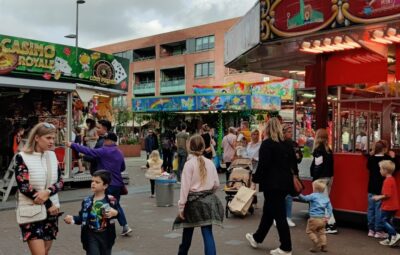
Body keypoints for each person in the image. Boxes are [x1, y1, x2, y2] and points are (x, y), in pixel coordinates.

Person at [246, 117, 296, 255]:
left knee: (279, 215)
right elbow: (293, 163)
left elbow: (263, 165)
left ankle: (286, 247)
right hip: (284, 184)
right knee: (268, 212)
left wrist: (255, 179)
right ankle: (257, 238)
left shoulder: (267, 144)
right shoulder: (286, 144)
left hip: (271, 185)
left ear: (267, 128)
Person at [66, 132, 132, 236]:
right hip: (118, 184)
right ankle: (124, 226)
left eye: (106, 140)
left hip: (107, 184)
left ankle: (106, 227)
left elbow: (88, 151)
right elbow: (123, 167)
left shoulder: (104, 151)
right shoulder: (119, 152)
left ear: (111, 141)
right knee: (115, 205)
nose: (104, 141)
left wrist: (73, 145)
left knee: (105, 205)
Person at [14, 122, 64, 255]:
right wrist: (48, 203)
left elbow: (60, 181)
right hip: (32, 212)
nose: (52, 141)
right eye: (48, 138)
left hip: (52, 213)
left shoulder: (52, 156)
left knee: (45, 252)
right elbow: (24, 186)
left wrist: (48, 191)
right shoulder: (22, 157)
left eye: (53, 138)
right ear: (36, 138)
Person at [173, 135, 223, 255]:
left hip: (192, 203)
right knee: (208, 234)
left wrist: (181, 207)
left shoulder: (189, 164)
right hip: (208, 202)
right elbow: (216, 184)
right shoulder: (210, 163)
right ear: (204, 147)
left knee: (187, 234)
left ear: (189, 146)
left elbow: (184, 189)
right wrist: (208, 192)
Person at [64, 170, 119, 255]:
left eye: (97, 182)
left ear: (105, 185)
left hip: (106, 236)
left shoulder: (111, 200)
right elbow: (82, 218)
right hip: (90, 235)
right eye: (92, 181)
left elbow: (119, 214)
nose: (93, 183)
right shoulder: (87, 201)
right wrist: (73, 219)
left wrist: (115, 213)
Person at [366, 140, 395, 239]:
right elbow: (394, 168)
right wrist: (393, 157)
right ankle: (379, 230)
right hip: (381, 189)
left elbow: (368, 166)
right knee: (379, 210)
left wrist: (370, 155)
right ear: (384, 149)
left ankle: (371, 230)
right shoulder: (386, 158)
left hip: (371, 187)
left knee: (371, 209)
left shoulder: (371, 159)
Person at [299, 180, 333, 253]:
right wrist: (328, 217)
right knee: (322, 233)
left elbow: (304, 198)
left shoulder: (313, 195)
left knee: (309, 231)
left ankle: (316, 241)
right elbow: (330, 209)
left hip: (314, 218)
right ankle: (323, 245)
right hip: (323, 219)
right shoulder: (326, 198)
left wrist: (298, 193)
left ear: (315, 189)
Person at [373, 160, 400, 247]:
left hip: (388, 206)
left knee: (383, 221)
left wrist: (378, 197)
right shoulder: (392, 179)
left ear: (385, 170)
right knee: (389, 222)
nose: (380, 171)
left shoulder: (387, 181)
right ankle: (390, 239)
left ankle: (395, 234)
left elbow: (387, 195)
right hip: (394, 206)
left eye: (380, 169)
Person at [283, 124, 303, 228]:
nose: (291, 134)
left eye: (291, 132)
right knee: (283, 196)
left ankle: (288, 217)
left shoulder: (294, 144)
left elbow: (299, 159)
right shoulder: (280, 144)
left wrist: (298, 156)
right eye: (289, 132)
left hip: (293, 172)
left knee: (289, 195)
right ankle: (279, 217)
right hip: (283, 173)